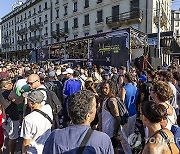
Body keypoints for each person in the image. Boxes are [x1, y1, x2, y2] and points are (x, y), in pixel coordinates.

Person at [43, 90, 114, 154]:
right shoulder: (102, 140)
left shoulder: (55, 137)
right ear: (87, 116)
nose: (97, 109)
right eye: (95, 106)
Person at [101, 80, 132, 154]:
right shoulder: (106, 99)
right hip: (108, 131)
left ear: (111, 89)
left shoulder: (111, 101)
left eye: (106, 88)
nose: (104, 90)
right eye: (103, 88)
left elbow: (117, 118)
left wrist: (115, 133)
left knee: (113, 149)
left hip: (110, 132)